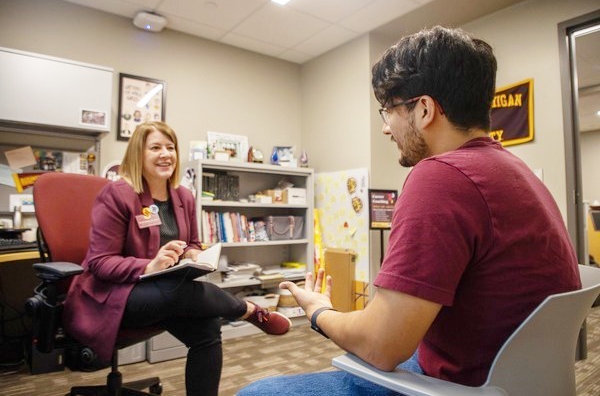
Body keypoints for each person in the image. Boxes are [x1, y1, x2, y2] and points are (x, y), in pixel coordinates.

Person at [238, 26, 581, 395]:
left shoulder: (441, 176)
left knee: (257, 392)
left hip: (463, 385)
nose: (386, 129)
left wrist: (320, 311)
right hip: (511, 377)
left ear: (424, 109)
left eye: (388, 111)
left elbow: (380, 347)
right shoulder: (517, 171)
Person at [62, 121, 291, 396]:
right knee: (178, 292)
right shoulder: (117, 195)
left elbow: (191, 242)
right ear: (138, 154)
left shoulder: (183, 196)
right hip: (116, 294)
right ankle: (248, 310)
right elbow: (99, 262)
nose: (166, 154)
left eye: (170, 147)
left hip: (166, 289)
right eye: (155, 147)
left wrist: (194, 253)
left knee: (207, 328)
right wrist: (149, 265)